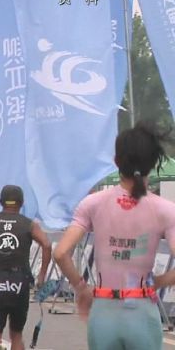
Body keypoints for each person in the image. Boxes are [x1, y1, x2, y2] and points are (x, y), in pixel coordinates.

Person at [54, 122, 175, 350]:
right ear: (152, 164)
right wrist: (158, 281)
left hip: (104, 310)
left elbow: (60, 253)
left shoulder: (93, 203)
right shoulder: (165, 210)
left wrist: (81, 287)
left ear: (116, 161)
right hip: (142, 309)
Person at [0, 185, 52, 350]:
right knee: (17, 335)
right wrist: (41, 275)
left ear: (0, 202)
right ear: (22, 203)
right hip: (20, 283)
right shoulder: (29, 224)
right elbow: (47, 245)